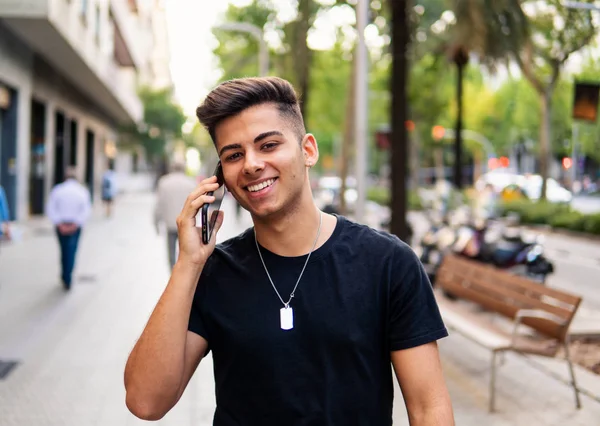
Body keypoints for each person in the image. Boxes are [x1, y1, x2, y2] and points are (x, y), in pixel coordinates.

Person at [125, 77, 454, 425]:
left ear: (307, 150)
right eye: (234, 155)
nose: (251, 164)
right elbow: (146, 402)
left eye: (268, 145)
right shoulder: (212, 272)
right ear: (222, 177)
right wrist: (188, 264)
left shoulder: (388, 264)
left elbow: (428, 408)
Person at [46, 166, 92, 290]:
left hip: (61, 224)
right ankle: (67, 276)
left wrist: (59, 224)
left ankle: (65, 275)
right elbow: (86, 210)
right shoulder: (83, 191)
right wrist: (75, 224)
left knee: (63, 250)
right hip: (75, 226)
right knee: (72, 251)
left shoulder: (57, 190)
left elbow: (50, 208)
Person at [153, 159, 197, 269]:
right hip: (187, 224)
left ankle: (173, 275)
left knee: (171, 254)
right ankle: (184, 276)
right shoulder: (191, 183)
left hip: (170, 223)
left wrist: (156, 223)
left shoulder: (164, 182)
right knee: (185, 253)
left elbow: (159, 204)